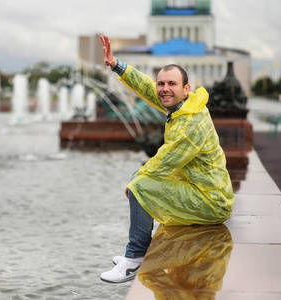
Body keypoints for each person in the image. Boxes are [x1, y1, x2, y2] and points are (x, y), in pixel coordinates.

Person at [99, 35, 235, 284]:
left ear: (186, 88)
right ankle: (141, 249)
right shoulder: (185, 105)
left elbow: (165, 162)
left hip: (211, 201)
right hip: (204, 190)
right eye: (162, 83)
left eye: (171, 84)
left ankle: (135, 257)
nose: (163, 89)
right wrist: (116, 64)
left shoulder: (190, 123)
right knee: (138, 180)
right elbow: (148, 88)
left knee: (139, 185)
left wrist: (137, 182)